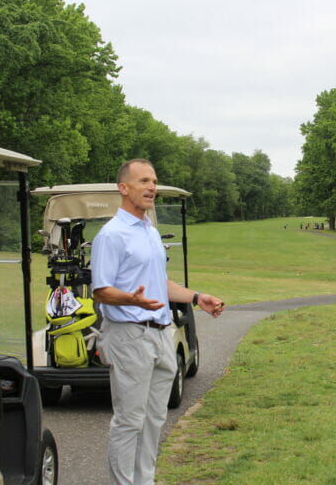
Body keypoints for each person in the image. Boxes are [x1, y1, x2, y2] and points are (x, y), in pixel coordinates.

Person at [92, 158, 225, 485]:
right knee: (129, 420)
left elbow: (159, 283)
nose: (152, 187)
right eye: (143, 181)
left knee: (154, 418)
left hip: (161, 332)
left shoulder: (149, 231)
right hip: (128, 335)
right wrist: (131, 299)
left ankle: (145, 480)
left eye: (153, 181)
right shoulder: (112, 235)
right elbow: (101, 290)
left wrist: (196, 297)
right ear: (124, 188)